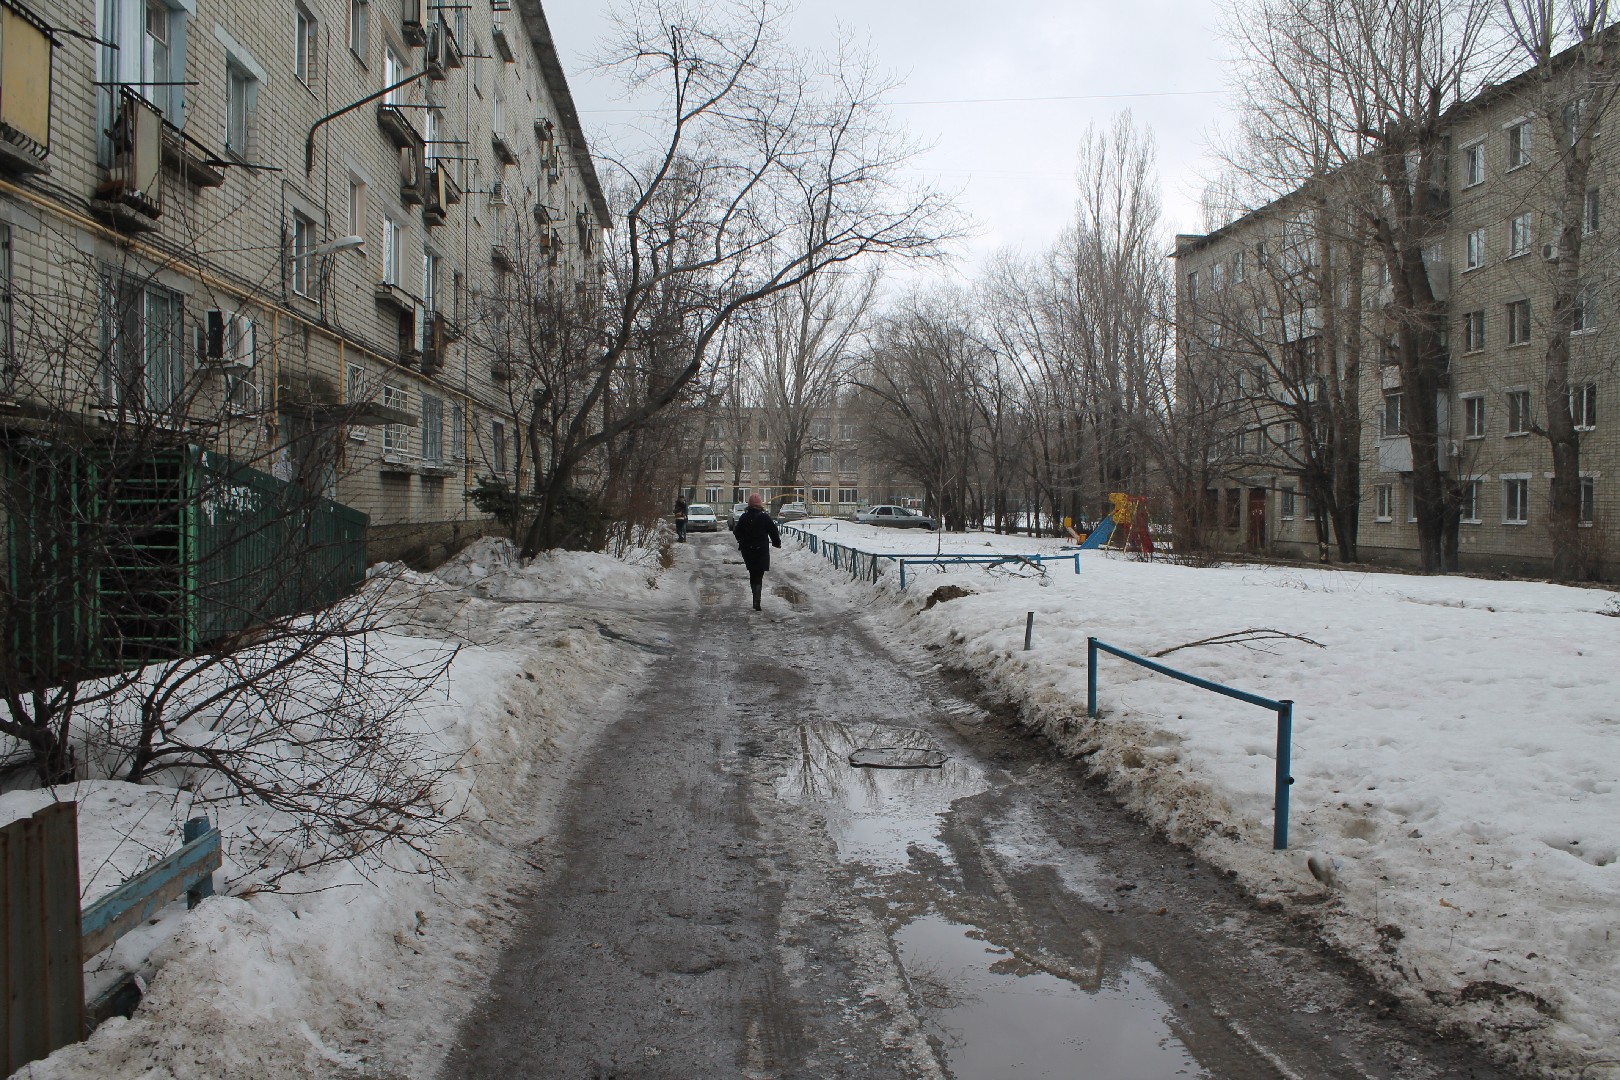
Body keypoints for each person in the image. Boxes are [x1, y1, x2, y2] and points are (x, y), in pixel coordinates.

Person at [731, 493, 781, 611]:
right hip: (761, 549)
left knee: (753, 573)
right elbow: (773, 531)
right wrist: (776, 543)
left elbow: (737, 532)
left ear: (749, 505)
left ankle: (755, 597)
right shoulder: (764, 517)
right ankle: (757, 599)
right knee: (759, 574)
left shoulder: (744, 517)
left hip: (747, 550)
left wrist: (742, 540)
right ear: (760, 505)